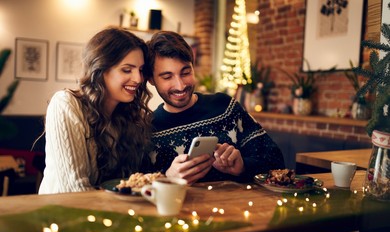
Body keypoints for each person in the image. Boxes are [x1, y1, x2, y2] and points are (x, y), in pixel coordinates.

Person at [145, 31, 285, 184]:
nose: (180, 86)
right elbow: (135, 188)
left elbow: (276, 162)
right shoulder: (148, 129)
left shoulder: (226, 108)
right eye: (167, 77)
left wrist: (243, 166)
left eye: (185, 73)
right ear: (151, 79)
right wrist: (167, 179)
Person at [38, 26, 153, 194]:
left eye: (141, 70)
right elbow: (73, 190)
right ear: (101, 70)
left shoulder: (129, 115)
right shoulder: (65, 104)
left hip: (111, 215)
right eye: (127, 70)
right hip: (62, 214)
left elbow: (133, 183)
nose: (138, 79)